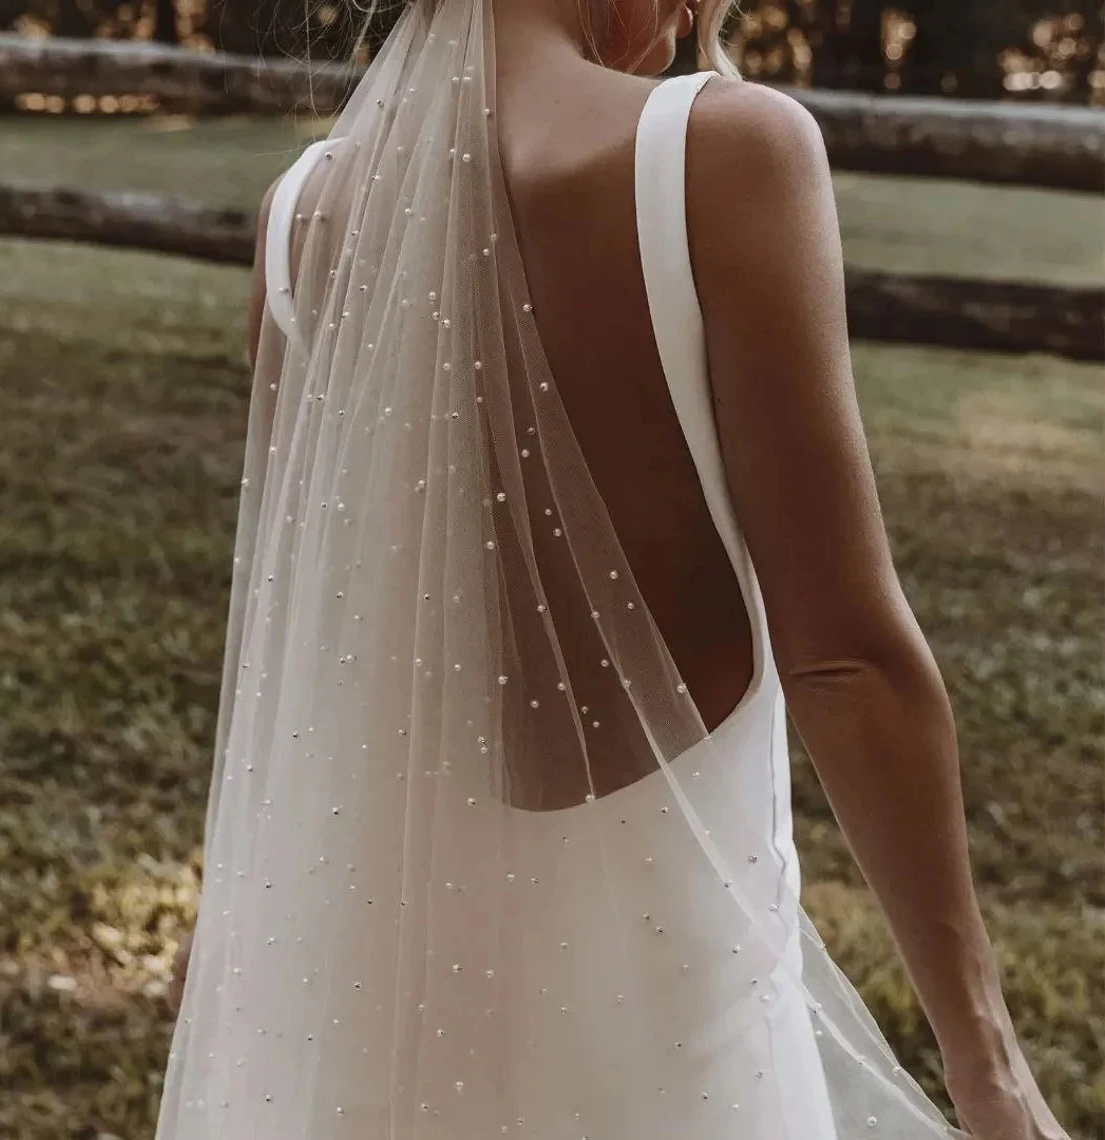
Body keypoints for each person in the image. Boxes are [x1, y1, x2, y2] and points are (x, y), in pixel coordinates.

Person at [157, 0, 1070, 1136]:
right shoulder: (726, 155)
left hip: (367, 1033)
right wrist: (988, 1066)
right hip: (675, 1056)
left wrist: (227, 947)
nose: (692, 19)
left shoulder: (302, 218)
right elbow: (846, 663)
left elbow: (298, 666)